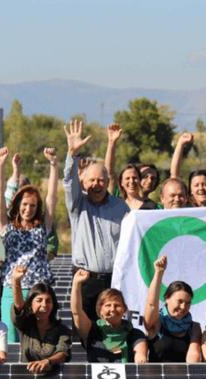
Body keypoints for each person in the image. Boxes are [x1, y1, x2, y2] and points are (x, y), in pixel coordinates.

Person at [63, 119, 130, 321]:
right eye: (91, 180)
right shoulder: (77, 205)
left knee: (113, 332)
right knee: (86, 334)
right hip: (85, 280)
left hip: (114, 281)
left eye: (101, 180)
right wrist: (72, 155)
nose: (96, 184)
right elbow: (68, 181)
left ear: (108, 182)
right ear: (83, 183)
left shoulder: (121, 207)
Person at [0, 146, 58, 342]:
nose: (28, 209)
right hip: (11, 288)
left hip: (38, 291)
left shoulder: (42, 228)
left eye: (32, 205)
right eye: (24, 204)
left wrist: (54, 165)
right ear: (17, 205)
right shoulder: (7, 227)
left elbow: (52, 198)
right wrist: (0, 165)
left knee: (37, 338)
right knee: (11, 338)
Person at [71, 269, 149, 363]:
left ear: (124, 309)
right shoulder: (91, 330)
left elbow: (140, 354)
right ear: (100, 310)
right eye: (108, 305)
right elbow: (77, 312)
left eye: (117, 305)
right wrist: (76, 283)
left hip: (128, 376)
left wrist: (141, 358)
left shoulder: (135, 334)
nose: (112, 309)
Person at [11, 266, 72, 372]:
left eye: (48, 301)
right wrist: (16, 281)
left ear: (53, 305)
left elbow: (63, 353)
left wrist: (48, 361)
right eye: (39, 300)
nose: (44, 305)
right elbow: (19, 307)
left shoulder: (62, 330)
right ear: (30, 304)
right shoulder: (25, 325)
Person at [143, 256, 202, 363]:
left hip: (184, 378)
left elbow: (194, 355)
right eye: (179, 301)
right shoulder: (156, 323)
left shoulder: (194, 327)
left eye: (188, 303)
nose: (183, 307)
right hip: (155, 378)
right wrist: (159, 272)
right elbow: (151, 305)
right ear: (166, 299)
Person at [168, 132, 206, 207]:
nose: (201, 188)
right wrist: (180, 144)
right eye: (196, 185)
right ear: (191, 190)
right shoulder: (185, 209)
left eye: (204, 184)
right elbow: (174, 177)